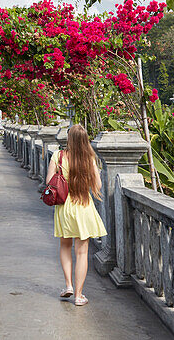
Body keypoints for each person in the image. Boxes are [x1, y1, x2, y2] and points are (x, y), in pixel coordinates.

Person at [48, 123, 106, 307]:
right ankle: (79, 296)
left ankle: (68, 285)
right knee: (82, 252)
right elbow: (98, 187)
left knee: (65, 247)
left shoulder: (58, 156)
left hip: (65, 208)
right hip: (83, 206)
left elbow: (49, 182)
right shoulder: (89, 159)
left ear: (69, 139)